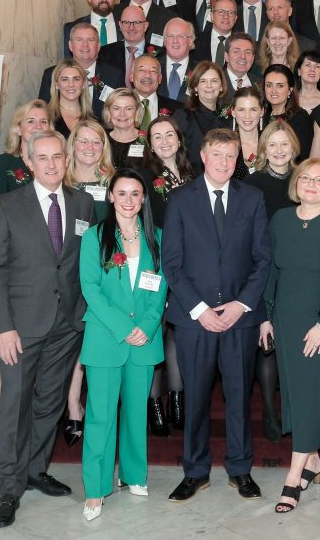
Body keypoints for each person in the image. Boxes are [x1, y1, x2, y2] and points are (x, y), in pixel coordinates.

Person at [0, 129, 96, 527]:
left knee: (50, 402)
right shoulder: (8, 205)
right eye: (42, 158)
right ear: (28, 163)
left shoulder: (84, 203)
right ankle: (9, 489)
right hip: (21, 328)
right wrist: (4, 328)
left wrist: (85, 314)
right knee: (13, 405)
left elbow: (86, 263)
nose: (51, 164)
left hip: (66, 324)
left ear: (67, 159)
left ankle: (35, 468)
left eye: (57, 157)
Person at [162, 129, 271, 503]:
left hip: (240, 318)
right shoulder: (179, 200)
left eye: (231, 156)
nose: (224, 162)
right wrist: (200, 309)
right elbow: (171, 264)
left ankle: (240, 470)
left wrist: (241, 305)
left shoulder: (253, 198)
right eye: (218, 154)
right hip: (195, 320)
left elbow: (262, 260)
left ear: (237, 159)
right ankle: (195, 471)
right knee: (195, 398)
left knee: (239, 396)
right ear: (204, 156)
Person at [259, 158, 320, 513]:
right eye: (305, 178)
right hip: (285, 319)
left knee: (312, 393)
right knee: (296, 393)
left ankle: (293, 474)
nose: (311, 184)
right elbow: (270, 269)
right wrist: (265, 317)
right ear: (296, 183)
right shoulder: (281, 219)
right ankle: (313, 461)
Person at [79, 169, 168, 521]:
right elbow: (91, 288)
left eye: (135, 194)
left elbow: (159, 286)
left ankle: (134, 474)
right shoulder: (94, 238)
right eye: (122, 193)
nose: (128, 200)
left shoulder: (156, 237)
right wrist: (123, 327)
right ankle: (96, 488)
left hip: (144, 340)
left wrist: (145, 326)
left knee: (135, 412)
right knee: (100, 416)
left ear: (143, 198)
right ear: (111, 196)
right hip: (105, 338)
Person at [140, 115, 199, 435]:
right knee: (156, 333)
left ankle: (178, 402)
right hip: (157, 263)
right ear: (149, 145)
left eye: (169, 134)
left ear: (179, 138)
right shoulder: (146, 176)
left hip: (191, 267)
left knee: (179, 334)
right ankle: (155, 407)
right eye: (157, 136)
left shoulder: (195, 173)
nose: (164, 141)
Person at [244, 120, 301, 443]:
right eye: (273, 145)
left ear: (294, 147)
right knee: (266, 345)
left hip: (297, 270)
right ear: (263, 150)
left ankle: (294, 410)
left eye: (285, 144)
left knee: (291, 343)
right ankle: (268, 410)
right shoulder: (252, 184)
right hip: (262, 267)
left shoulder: (304, 180)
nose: (279, 151)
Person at [0, 100, 51, 196]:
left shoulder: (57, 162)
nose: (38, 126)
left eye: (43, 121)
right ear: (18, 129)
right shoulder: (3, 163)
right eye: (31, 121)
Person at [261, 64, 313, 158]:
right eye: (269, 85)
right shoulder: (260, 116)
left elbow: (300, 155)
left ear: (290, 90)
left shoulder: (300, 118)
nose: (273, 91)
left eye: (280, 86)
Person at [185, 61, 230, 163]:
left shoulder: (226, 119)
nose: (209, 85)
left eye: (214, 80)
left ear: (221, 86)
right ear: (195, 87)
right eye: (203, 81)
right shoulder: (185, 116)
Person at [46, 61, 92, 137]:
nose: (71, 84)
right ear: (56, 84)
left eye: (76, 79)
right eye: (65, 79)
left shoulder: (93, 120)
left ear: (83, 84)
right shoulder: (46, 117)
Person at [228, 86, 264, 180]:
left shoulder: (271, 142)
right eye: (241, 110)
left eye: (253, 109)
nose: (247, 116)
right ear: (233, 112)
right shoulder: (226, 144)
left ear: (262, 112)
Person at [103, 89, 144, 170]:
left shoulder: (149, 141)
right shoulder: (100, 140)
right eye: (116, 108)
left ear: (137, 112)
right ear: (108, 112)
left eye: (128, 108)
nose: (122, 114)